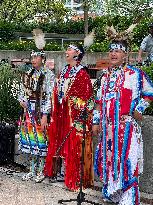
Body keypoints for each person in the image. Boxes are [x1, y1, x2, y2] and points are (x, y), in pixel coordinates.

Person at [93, 25, 153, 205]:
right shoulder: (104, 77)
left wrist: (139, 109)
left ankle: (128, 197)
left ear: (125, 55)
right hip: (108, 127)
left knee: (128, 161)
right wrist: (96, 122)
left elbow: (149, 93)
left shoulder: (135, 74)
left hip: (126, 126)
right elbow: (98, 102)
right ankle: (114, 193)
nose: (113, 54)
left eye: (118, 51)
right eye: (111, 51)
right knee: (110, 161)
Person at [44, 40, 95, 191]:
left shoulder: (82, 73)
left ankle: (73, 176)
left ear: (77, 54)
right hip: (60, 114)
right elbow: (57, 90)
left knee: (72, 144)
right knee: (59, 141)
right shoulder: (64, 70)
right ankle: (60, 172)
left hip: (73, 116)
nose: (66, 52)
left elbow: (87, 98)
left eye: (69, 49)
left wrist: (70, 100)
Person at [18, 29, 55, 183]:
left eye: (36, 57)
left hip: (40, 112)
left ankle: (41, 171)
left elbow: (50, 96)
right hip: (28, 111)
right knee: (29, 141)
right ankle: (31, 170)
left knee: (41, 141)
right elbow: (22, 90)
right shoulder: (28, 73)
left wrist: (46, 114)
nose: (33, 59)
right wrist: (21, 100)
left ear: (43, 58)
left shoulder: (48, 75)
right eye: (32, 57)